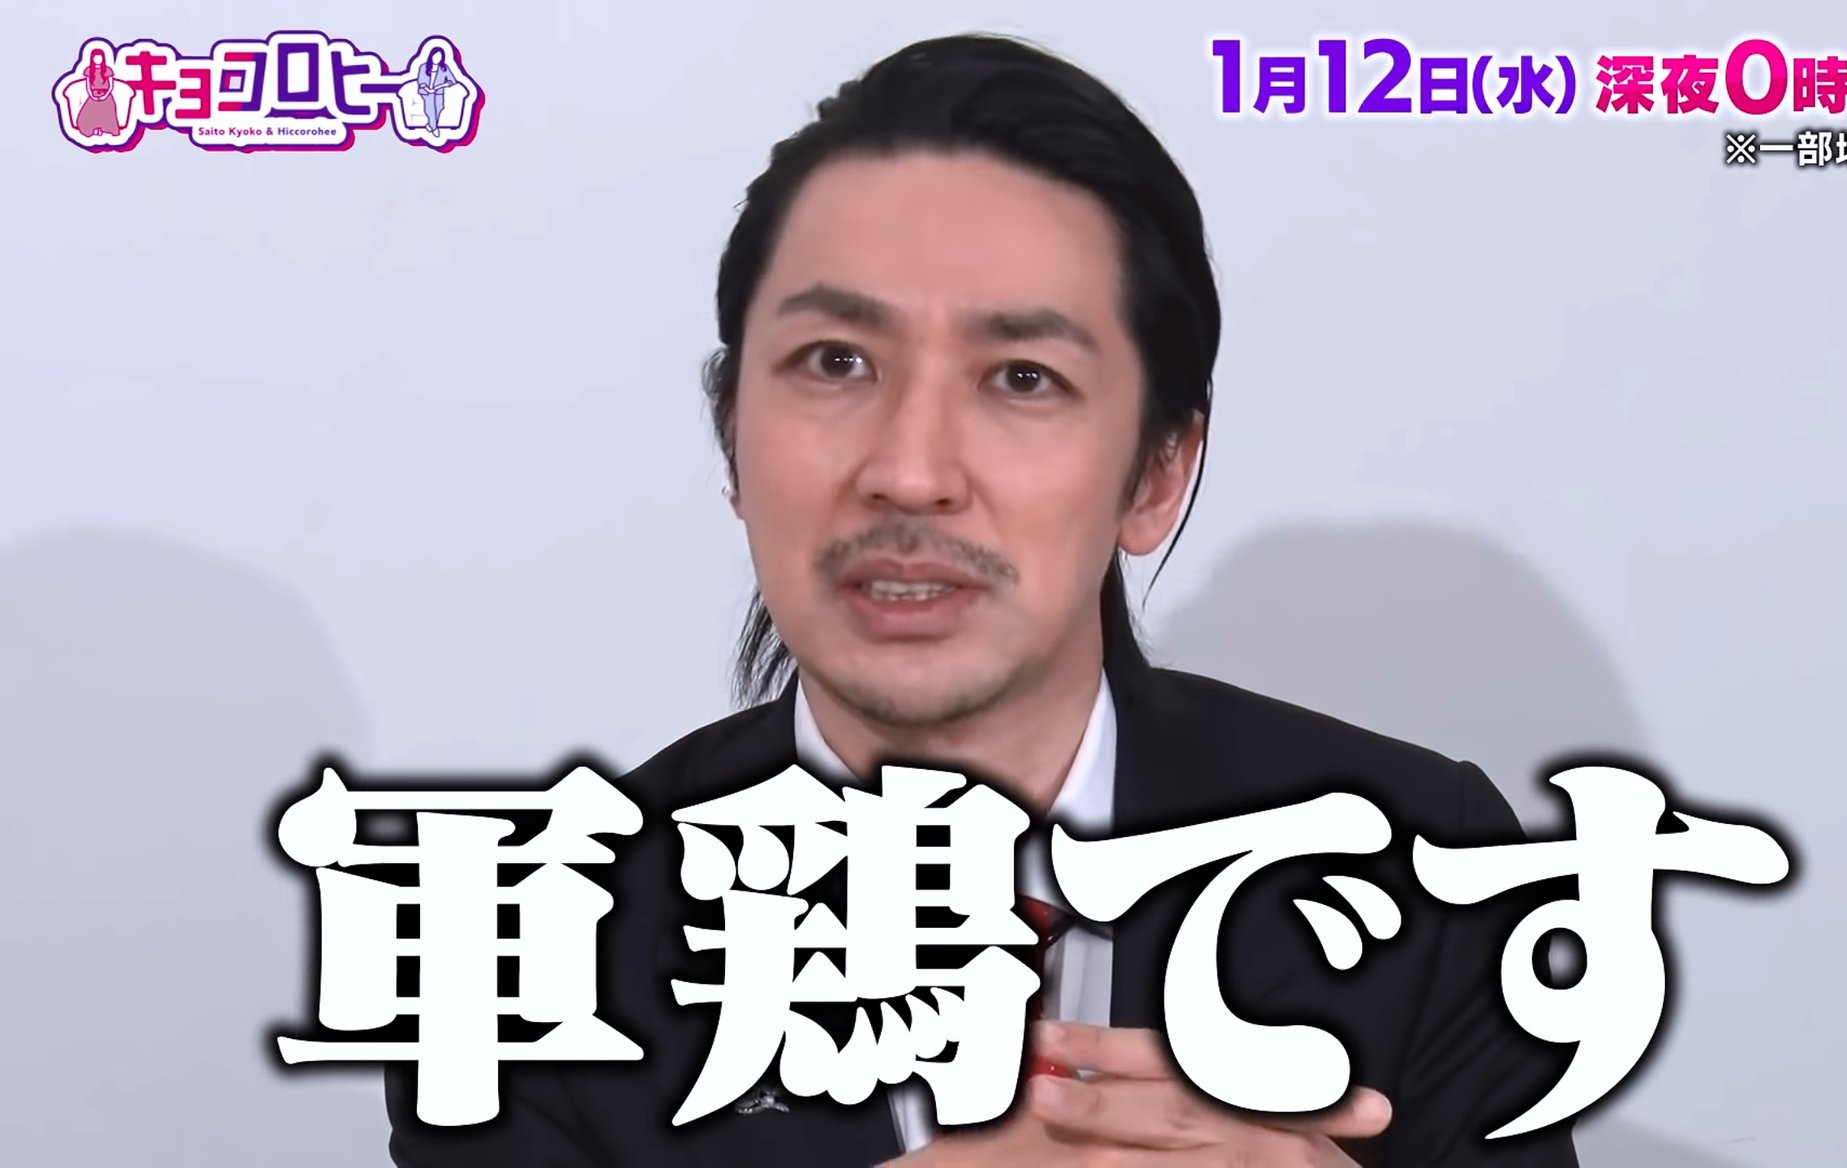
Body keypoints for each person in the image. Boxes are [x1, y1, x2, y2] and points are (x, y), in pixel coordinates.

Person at [386, 33, 1578, 1167]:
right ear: (732, 433)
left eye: (1020, 376)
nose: (909, 471)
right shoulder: (525, 951)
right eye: (836, 363)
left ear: (1155, 472)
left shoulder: (1425, 871)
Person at [417, 49, 454, 136]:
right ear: (431, 56)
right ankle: (434, 128)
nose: (437, 59)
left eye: (439, 57)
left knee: (440, 107)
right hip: (426, 92)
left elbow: (452, 80)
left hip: (438, 92)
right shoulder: (423, 67)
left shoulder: (444, 68)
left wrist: (439, 87)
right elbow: (421, 81)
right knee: (430, 108)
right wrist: (428, 90)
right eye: (435, 56)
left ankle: (430, 125)